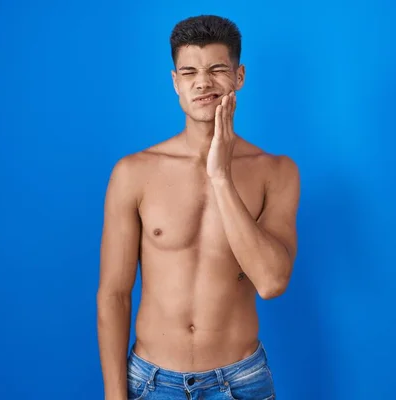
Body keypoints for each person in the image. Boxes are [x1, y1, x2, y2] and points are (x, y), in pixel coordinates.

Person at [96, 15, 300, 400]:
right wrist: (113, 394)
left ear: (239, 76)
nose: (203, 82)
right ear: (175, 82)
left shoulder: (276, 172)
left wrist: (220, 175)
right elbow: (114, 294)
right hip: (151, 382)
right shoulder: (133, 172)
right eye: (189, 72)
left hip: (240, 381)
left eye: (216, 69)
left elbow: (272, 282)